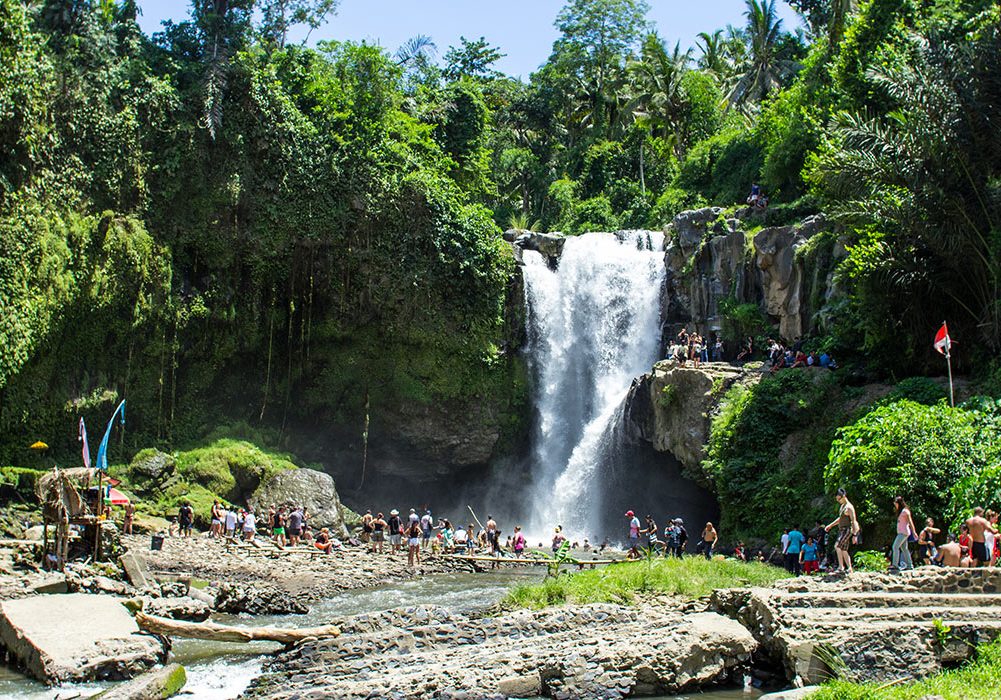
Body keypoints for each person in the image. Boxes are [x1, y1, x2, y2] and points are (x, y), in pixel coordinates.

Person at [824, 488, 860, 574]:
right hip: (841, 530)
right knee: (843, 549)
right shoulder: (842, 506)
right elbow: (840, 519)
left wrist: (855, 535)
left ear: (843, 496)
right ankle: (849, 568)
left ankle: (841, 567)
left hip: (847, 530)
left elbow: (853, 521)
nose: (838, 501)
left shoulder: (849, 507)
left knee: (837, 546)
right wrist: (831, 525)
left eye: (839, 499)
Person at [892, 496, 916, 572]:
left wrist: (914, 531)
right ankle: (910, 565)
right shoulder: (901, 511)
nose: (895, 505)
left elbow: (910, 522)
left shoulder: (905, 511)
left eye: (896, 503)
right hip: (902, 532)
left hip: (904, 532)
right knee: (904, 549)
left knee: (895, 547)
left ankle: (895, 565)